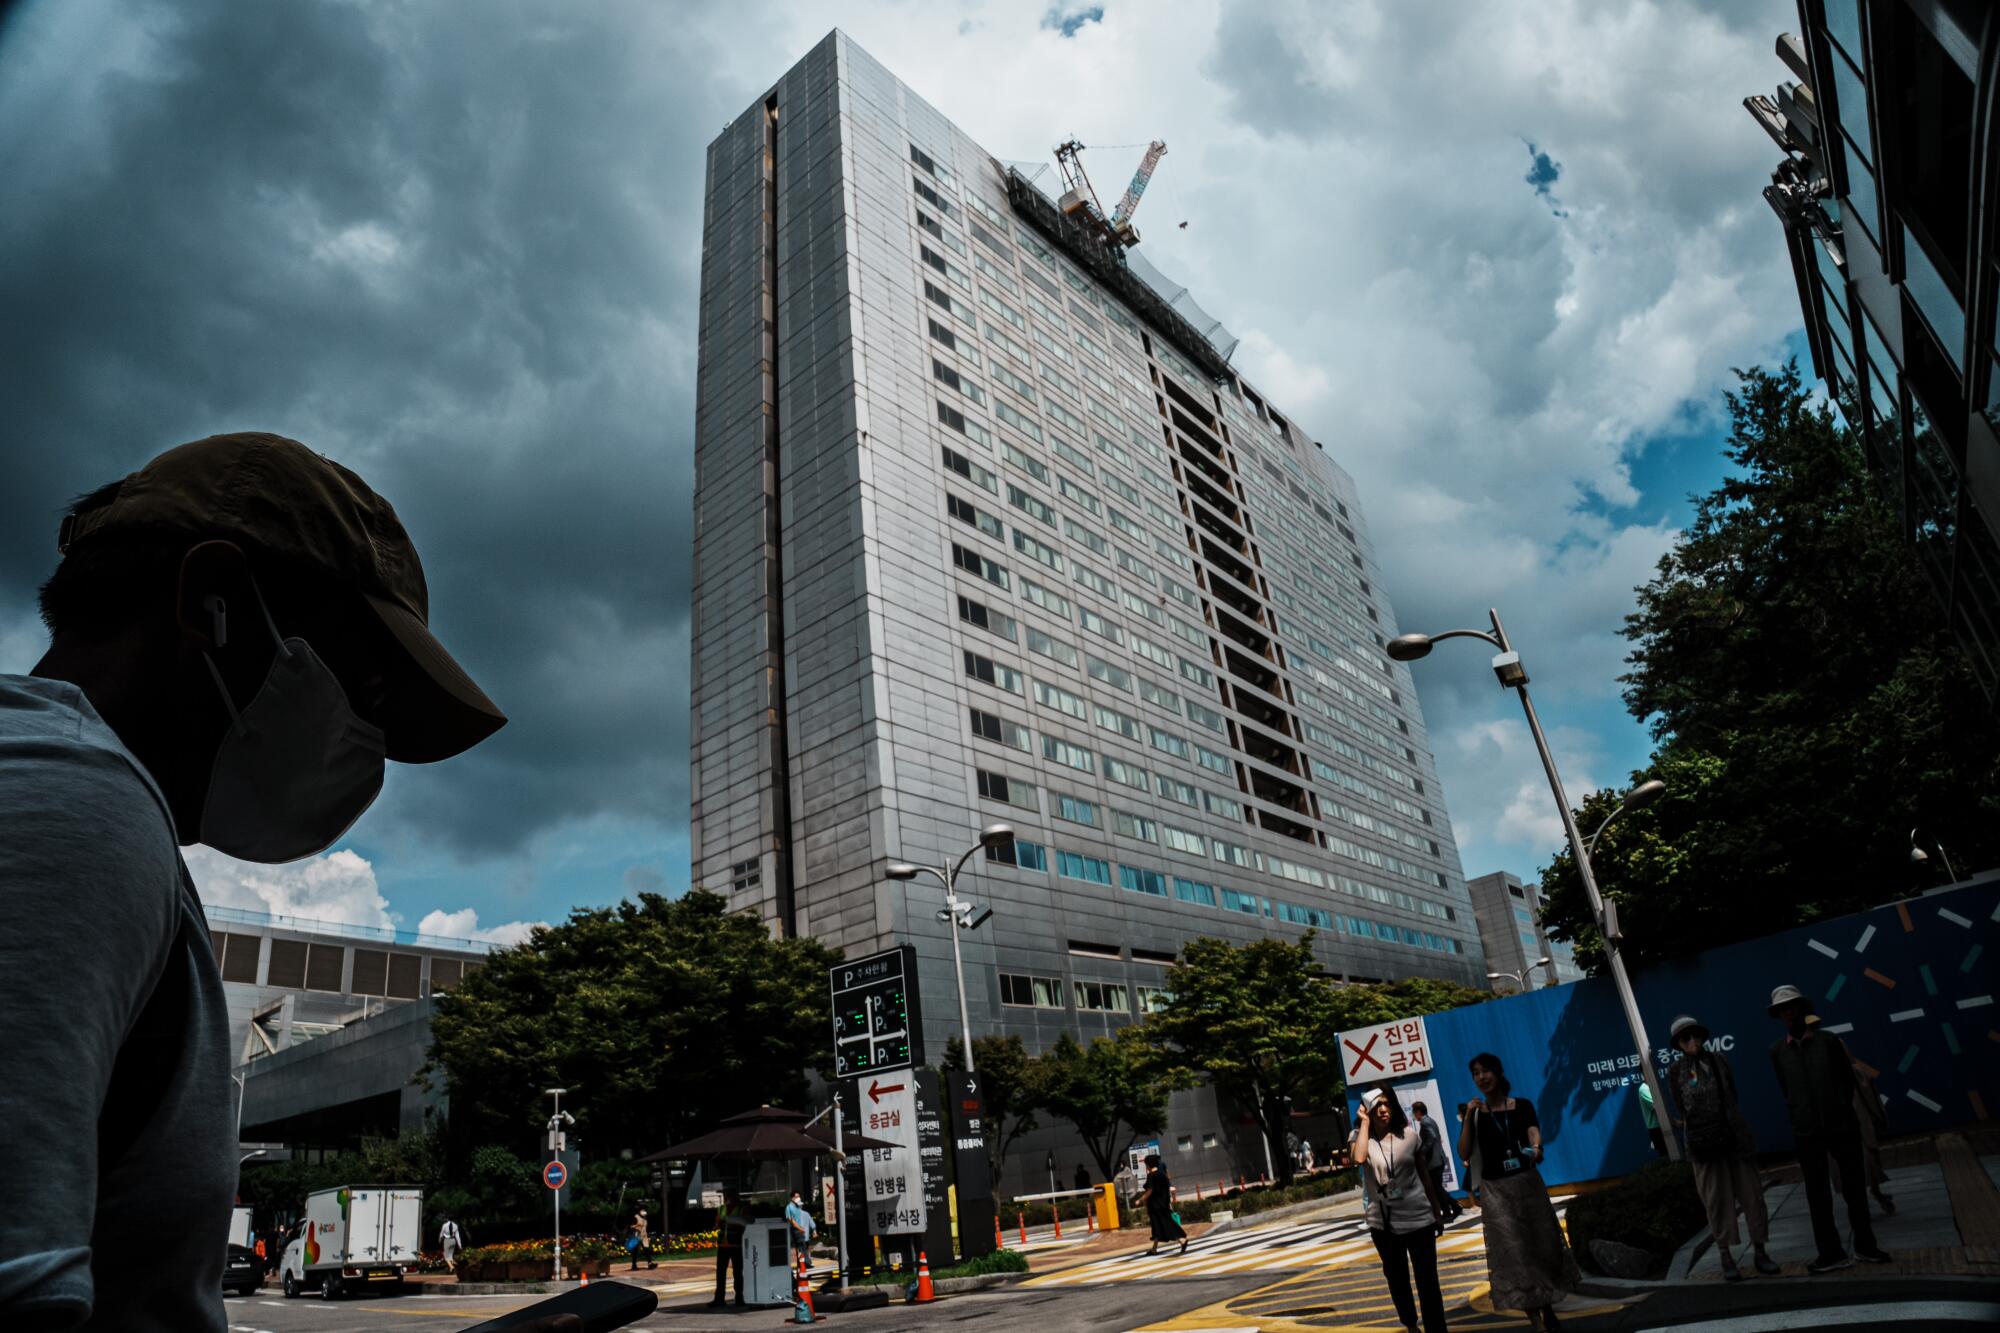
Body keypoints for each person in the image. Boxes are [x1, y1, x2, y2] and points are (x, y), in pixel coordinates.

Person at [0, 434, 526, 1333]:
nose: (365, 740)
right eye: (359, 685)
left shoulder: (117, 826)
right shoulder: (77, 802)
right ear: (214, 601)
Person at [1767, 985, 1890, 1271]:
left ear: (1803, 1008)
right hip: (1806, 1131)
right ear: (1779, 1015)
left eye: (1793, 1006)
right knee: (1817, 1194)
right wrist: (1801, 1114)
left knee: (1854, 1188)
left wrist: (1839, 1110)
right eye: (1784, 1009)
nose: (1790, 1012)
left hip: (1841, 1125)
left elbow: (1848, 1082)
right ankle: (1831, 1253)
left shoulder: (1828, 1041)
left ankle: (1866, 1246)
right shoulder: (1777, 1051)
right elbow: (1786, 1089)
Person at [1457, 1053, 1579, 1332]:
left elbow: (1533, 1132)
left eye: (1486, 1071)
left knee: (1541, 1246)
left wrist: (1536, 1148)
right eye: (1475, 1073)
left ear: (1499, 1073)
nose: (1481, 1077)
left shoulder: (1521, 1105)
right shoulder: (1475, 1114)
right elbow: (1463, 1151)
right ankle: (1535, 1318)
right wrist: (1468, 1119)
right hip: (1496, 1191)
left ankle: (1546, 1305)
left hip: (1527, 1183)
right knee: (1513, 1255)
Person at [1663, 1015, 1776, 1281]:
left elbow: (1732, 1096)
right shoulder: (1676, 1071)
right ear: (1678, 1044)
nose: (1691, 1041)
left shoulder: (1719, 1061)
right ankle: (1725, 1256)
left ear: (1702, 1036)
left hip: (1734, 1139)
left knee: (1753, 1197)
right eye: (1684, 1038)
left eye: (1694, 1035)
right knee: (1715, 1201)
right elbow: (1680, 1106)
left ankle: (1760, 1251)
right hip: (1703, 1146)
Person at [1353, 1088, 1451, 1332]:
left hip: (1419, 1217)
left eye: (1387, 1104)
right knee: (1397, 1280)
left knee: (1428, 1280)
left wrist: (1436, 1212)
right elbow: (1359, 1157)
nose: (1383, 1110)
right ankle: (1410, 1324)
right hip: (1383, 1223)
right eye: (1377, 1106)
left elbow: (1424, 1176)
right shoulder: (1359, 1136)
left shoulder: (1409, 1136)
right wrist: (1365, 1123)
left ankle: (1436, 1328)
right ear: (1367, 1109)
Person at [1807, 1016, 1895, 1215]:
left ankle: (1867, 1195)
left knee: (1859, 1155)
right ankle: (1871, 1194)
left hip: (1845, 1105)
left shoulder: (1829, 1043)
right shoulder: (1831, 1042)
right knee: (1860, 1154)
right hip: (1844, 1106)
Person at [1412, 1101, 1460, 1221]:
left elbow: (1432, 1137)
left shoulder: (1425, 1122)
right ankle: (1454, 1207)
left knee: (1436, 1188)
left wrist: (1422, 1152)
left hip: (1434, 1160)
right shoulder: (1429, 1120)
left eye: (1414, 1112)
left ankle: (1449, 1212)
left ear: (1418, 1112)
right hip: (1438, 1158)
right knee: (1437, 1187)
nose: (1413, 1115)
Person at [1135, 1153, 1188, 1256]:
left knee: (1164, 1225)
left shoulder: (1152, 1176)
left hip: (1155, 1205)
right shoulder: (1162, 1174)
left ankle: (1182, 1240)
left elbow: (1150, 1190)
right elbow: (1166, 1188)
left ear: (1148, 1165)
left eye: (1146, 1164)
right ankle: (1154, 1249)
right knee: (1159, 1226)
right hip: (1163, 1203)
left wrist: (1140, 1200)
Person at [712, 1188, 747, 1306]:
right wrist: (719, 1225)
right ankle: (719, 1299)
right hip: (723, 1244)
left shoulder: (741, 1208)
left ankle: (739, 1298)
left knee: (737, 1272)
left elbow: (744, 1225)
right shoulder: (721, 1208)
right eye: (726, 1195)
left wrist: (729, 1223)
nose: (727, 1198)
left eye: (729, 1195)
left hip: (736, 1245)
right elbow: (716, 1224)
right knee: (720, 1272)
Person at [1638, 1081, 1666, 1158]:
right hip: (1656, 1128)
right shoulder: (1644, 1089)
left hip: (1664, 1124)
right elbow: (1656, 1106)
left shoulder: (1653, 1085)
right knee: (1665, 1155)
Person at [784, 1190, 815, 1257]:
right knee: (802, 1248)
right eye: (796, 1197)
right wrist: (799, 1228)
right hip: (796, 1230)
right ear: (792, 1198)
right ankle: (806, 1263)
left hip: (802, 1230)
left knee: (801, 1248)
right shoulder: (789, 1207)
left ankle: (802, 1264)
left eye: (799, 1197)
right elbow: (790, 1220)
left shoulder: (798, 1207)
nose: (798, 1198)